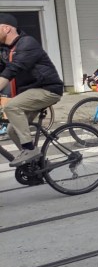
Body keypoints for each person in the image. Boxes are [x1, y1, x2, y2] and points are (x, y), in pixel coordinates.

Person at [0, 13, 64, 167]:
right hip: (29, 92)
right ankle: (37, 166)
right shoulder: (5, 50)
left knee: (11, 106)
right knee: (12, 130)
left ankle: (29, 149)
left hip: (47, 89)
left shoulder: (27, 43)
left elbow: (13, 70)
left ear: (6, 28)